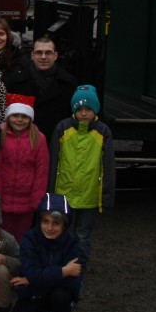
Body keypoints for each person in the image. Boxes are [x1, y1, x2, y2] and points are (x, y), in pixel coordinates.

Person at [48, 85, 115, 267]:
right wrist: (50, 192)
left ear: (96, 110)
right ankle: (58, 265)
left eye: (88, 109)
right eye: (79, 109)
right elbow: (54, 161)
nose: (84, 113)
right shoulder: (63, 128)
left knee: (82, 236)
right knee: (59, 232)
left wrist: (107, 196)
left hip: (90, 194)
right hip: (64, 193)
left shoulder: (102, 132)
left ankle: (79, 269)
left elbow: (108, 166)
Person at [9, 193, 83, 312]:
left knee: (61, 295)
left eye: (56, 223)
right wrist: (62, 271)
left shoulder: (72, 242)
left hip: (53, 293)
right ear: (39, 221)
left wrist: (31, 279)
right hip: (34, 292)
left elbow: (74, 280)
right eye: (45, 221)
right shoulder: (30, 238)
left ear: (65, 224)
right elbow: (31, 271)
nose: (49, 228)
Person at [0, 94, 49, 241]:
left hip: (27, 197)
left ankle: (21, 262)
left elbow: (42, 169)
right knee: (3, 235)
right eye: (15, 115)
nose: (20, 120)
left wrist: (37, 198)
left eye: (24, 116)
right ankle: (4, 261)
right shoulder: (0, 134)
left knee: (23, 235)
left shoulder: (38, 138)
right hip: (4, 195)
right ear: (9, 116)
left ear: (30, 118)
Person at [4, 36, 78, 144]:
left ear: (55, 56)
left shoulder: (69, 83)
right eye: (39, 52)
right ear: (32, 56)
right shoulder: (16, 83)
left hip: (59, 142)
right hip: (25, 144)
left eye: (48, 52)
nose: (43, 57)